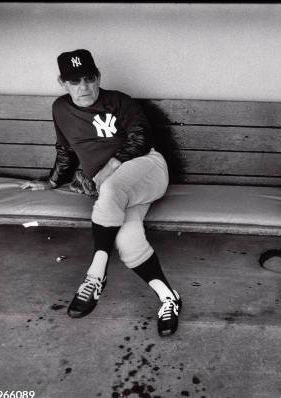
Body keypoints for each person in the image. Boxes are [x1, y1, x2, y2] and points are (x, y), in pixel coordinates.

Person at [21, 49, 181, 337]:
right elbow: (66, 150)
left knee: (110, 187)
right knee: (127, 237)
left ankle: (95, 275)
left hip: (146, 169)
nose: (83, 87)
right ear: (62, 83)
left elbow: (142, 136)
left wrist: (110, 166)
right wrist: (51, 181)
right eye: (74, 82)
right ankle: (168, 296)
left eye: (88, 78)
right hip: (114, 193)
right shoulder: (60, 109)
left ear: (98, 77)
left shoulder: (119, 101)